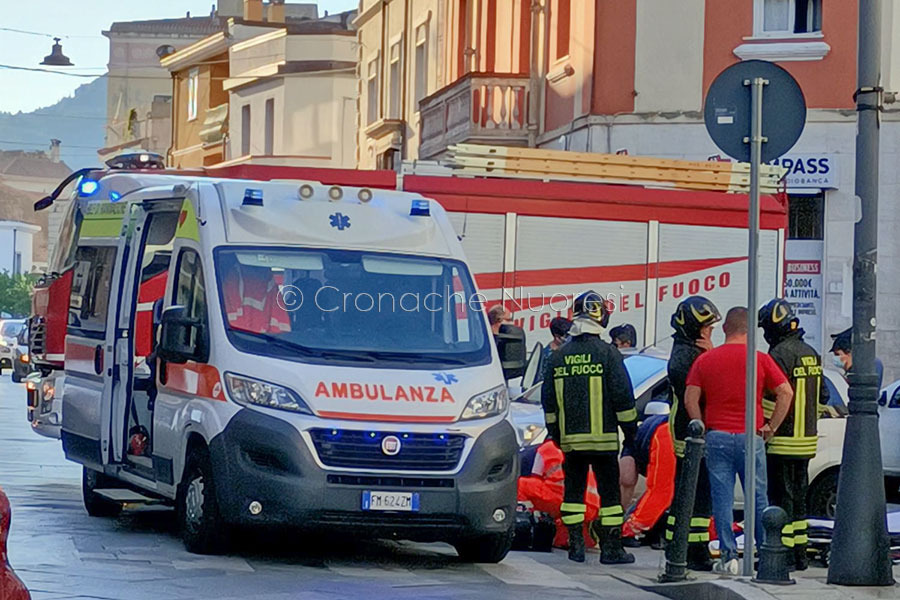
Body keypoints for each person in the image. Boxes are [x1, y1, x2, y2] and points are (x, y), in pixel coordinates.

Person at [684, 307, 793, 574]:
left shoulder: (706, 359)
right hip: (751, 437)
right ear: (750, 330)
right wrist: (771, 427)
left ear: (725, 329)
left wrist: (700, 428)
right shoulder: (760, 359)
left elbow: (690, 398)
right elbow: (785, 392)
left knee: (721, 500)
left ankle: (728, 557)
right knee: (758, 498)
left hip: (717, 437)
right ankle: (765, 554)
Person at [541, 290, 638, 564]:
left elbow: (549, 402)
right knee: (610, 497)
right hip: (604, 442)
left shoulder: (558, 356)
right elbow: (623, 398)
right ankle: (611, 549)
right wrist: (631, 433)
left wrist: (556, 434)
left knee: (573, 493)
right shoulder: (608, 354)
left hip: (571, 442)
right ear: (600, 317)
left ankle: (576, 546)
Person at [758, 298, 828, 571]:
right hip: (806, 441)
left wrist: (766, 426)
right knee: (799, 500)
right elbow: (822, 396)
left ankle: (783, 555)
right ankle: (800, 554)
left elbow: (770, 397)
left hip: (781, 441)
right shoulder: (811, 353)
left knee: (781, 500)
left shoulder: (778, 355)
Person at [665, 295, 721, 571]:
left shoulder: (690, 352)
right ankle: (689, 550)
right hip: (689, 429)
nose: (711, 332)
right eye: (707, 327)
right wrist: (711, 356)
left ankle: (685, 546)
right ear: (694, 328)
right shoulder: (686, 357)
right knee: (694, 491)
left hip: (692, 428)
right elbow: (711, 389)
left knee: (696, 490)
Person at [517, 439, 601, 550]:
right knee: (566, 529)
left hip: (563, 500)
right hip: (592, 505)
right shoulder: (585, 446)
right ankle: (577, 536)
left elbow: (535, 479)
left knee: (521, 485)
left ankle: (520, 521)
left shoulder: (545, 449)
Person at [620, 406, 676, 546]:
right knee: (662, 491)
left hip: (654, 434)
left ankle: (625, 527)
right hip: (663, 434)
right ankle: (627, 529)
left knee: (661, 491)